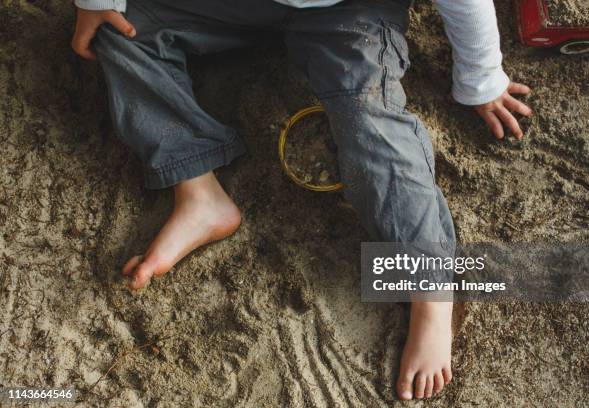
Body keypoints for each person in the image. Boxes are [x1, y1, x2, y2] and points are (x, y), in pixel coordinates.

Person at [71, 0, 532, 400]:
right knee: (120, 27)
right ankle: (198, 192)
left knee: (370, 123)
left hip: (351, 12)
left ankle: (430, 290)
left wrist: (481, 77)